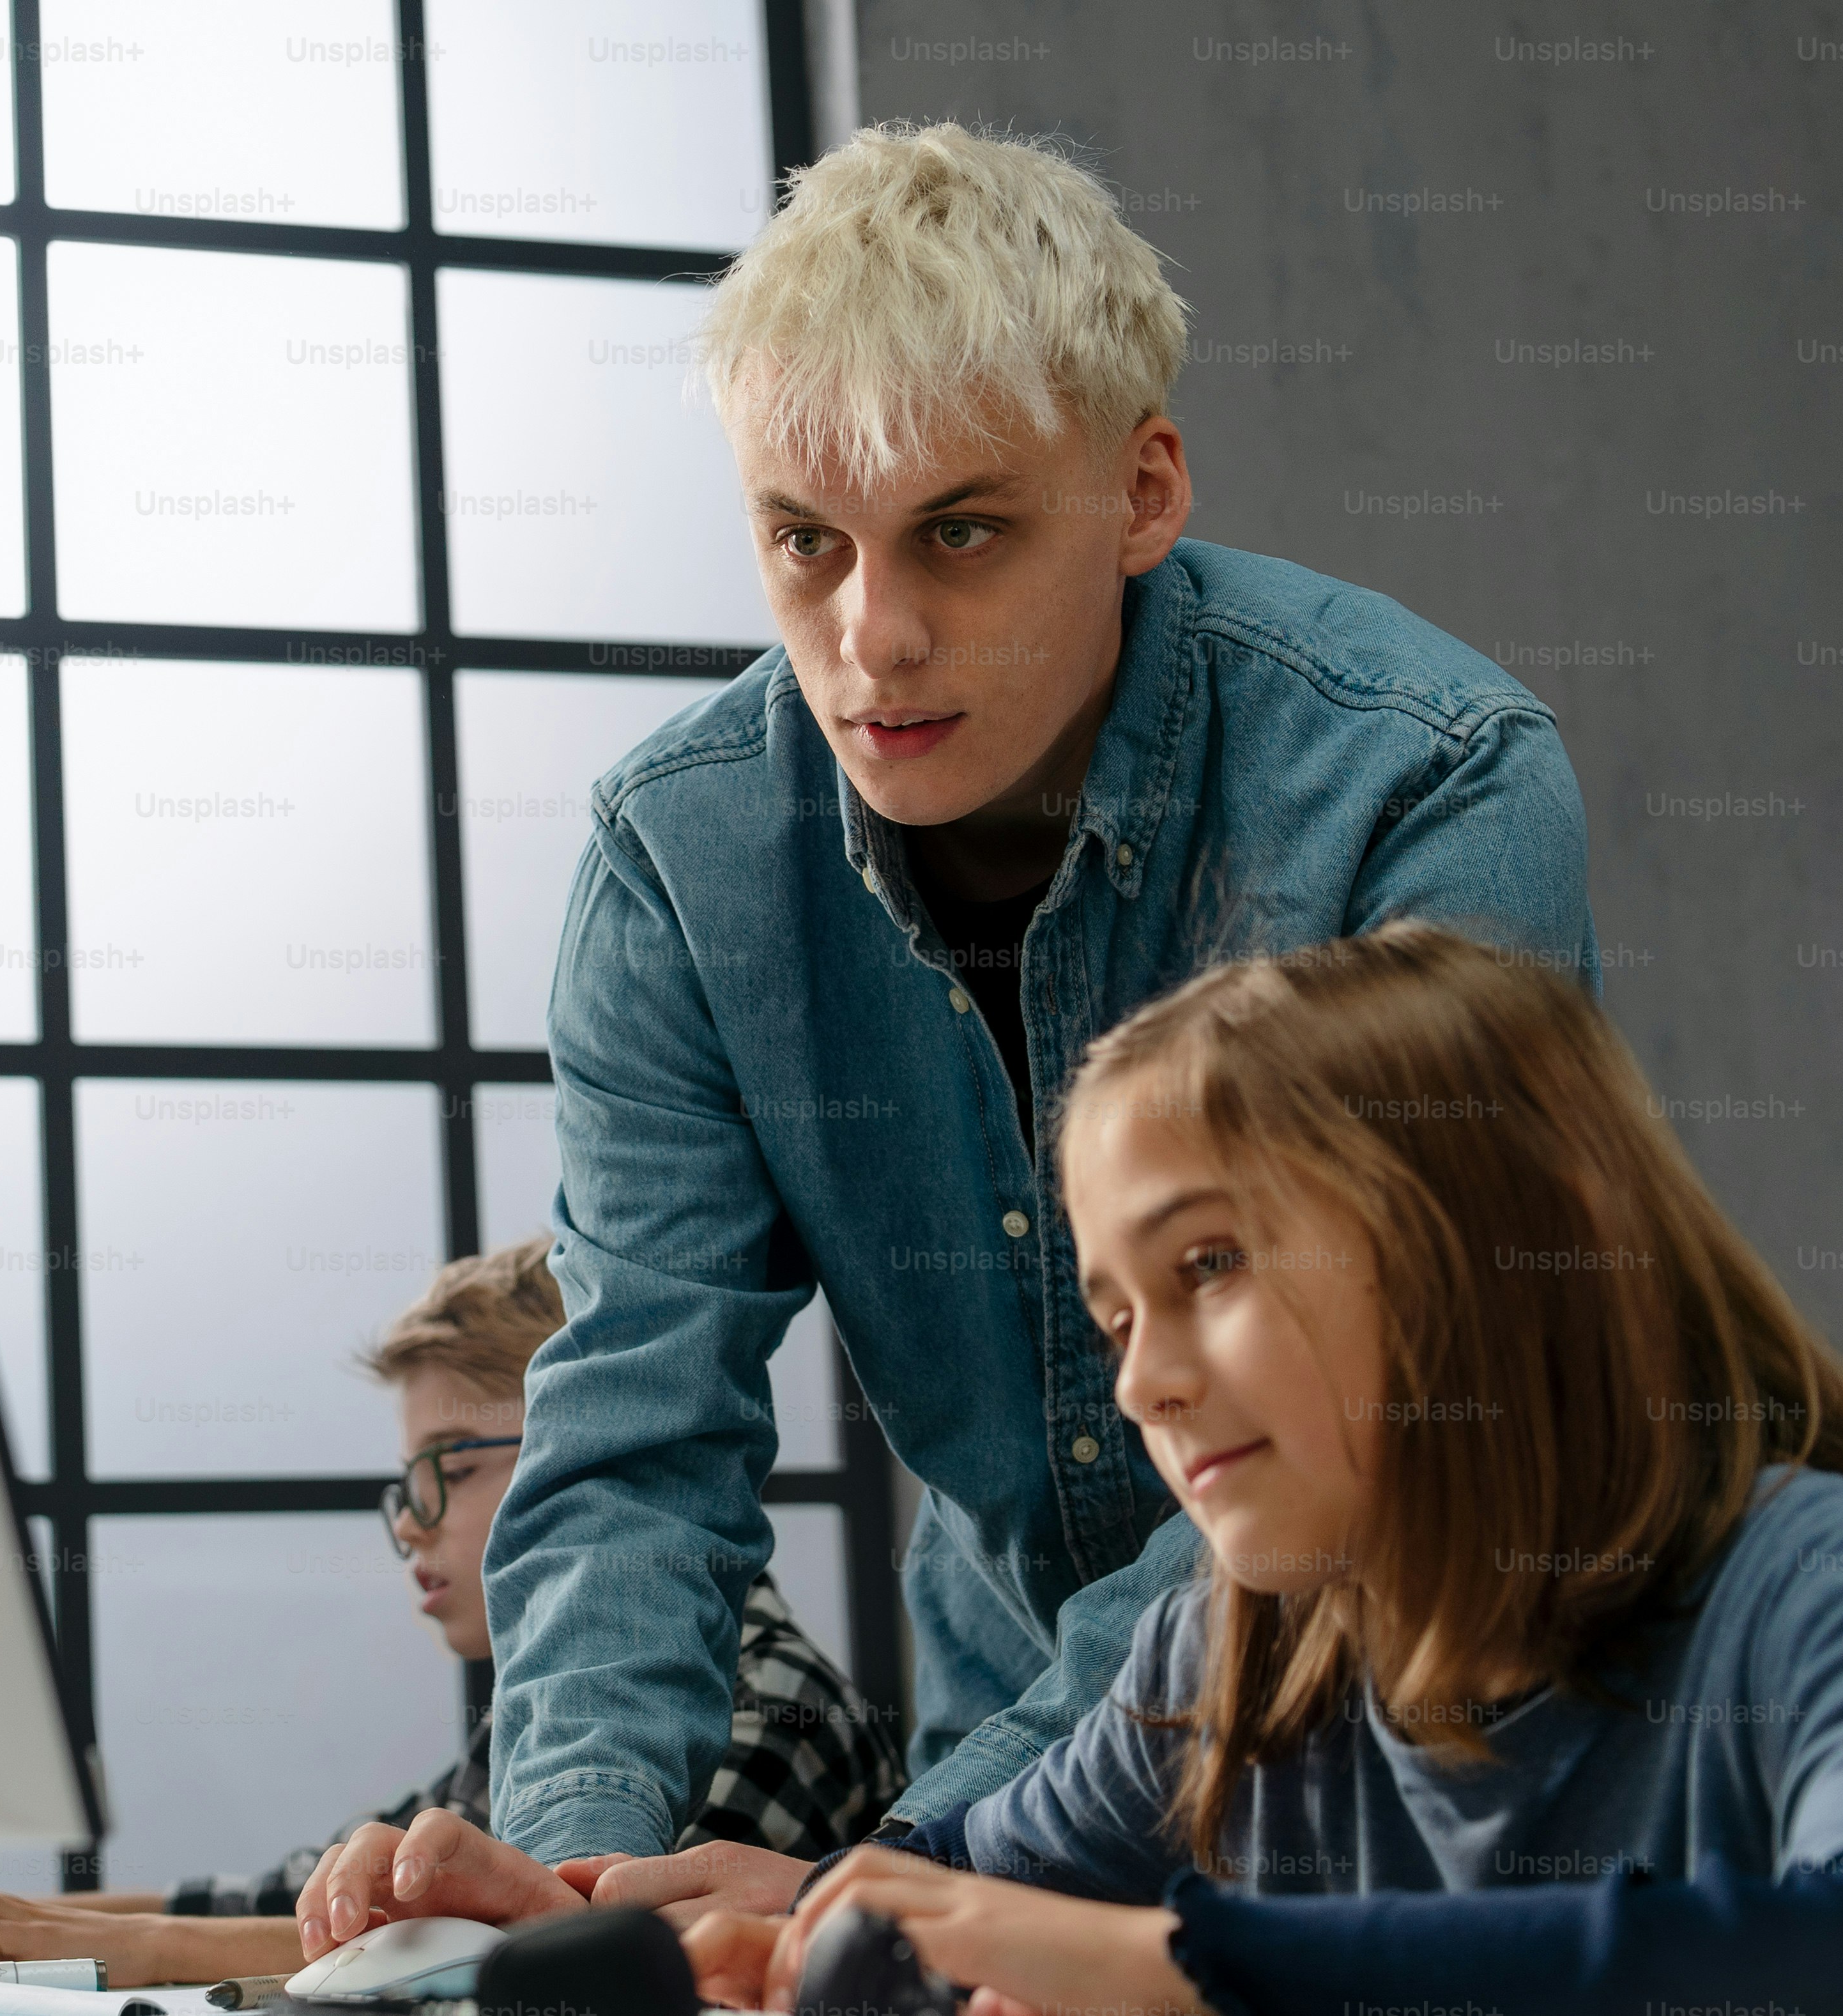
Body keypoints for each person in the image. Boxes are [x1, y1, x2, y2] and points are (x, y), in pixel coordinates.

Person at [436, 119, 1598, 1928]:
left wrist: (920, 1856)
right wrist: (576, 1875)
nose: (870, 635)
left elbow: (1393, 1422)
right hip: (990, 1801)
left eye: (957, 533)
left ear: (1142, 491)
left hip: (1440, 1799)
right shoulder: (680, 863)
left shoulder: (1426, 786)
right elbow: (638, 1429)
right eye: (801, 542)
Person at [328, 927, 1843, 2014]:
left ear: (1487, 1250)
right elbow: (975, 1893)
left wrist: (1168, 1967)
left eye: (1211, 1265)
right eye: (1115, 1314)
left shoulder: (1801, 1590)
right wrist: (771, 1943)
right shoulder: (1230, 1651)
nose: (1143, 1381)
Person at [0, 1238, 899, 1985]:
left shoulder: (766, 1709)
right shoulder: (543, 1721)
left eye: (442, 1467)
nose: (409, 1525)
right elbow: (293, 1898)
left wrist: (107, 1947)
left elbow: (539, 1967)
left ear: (581, 1453)